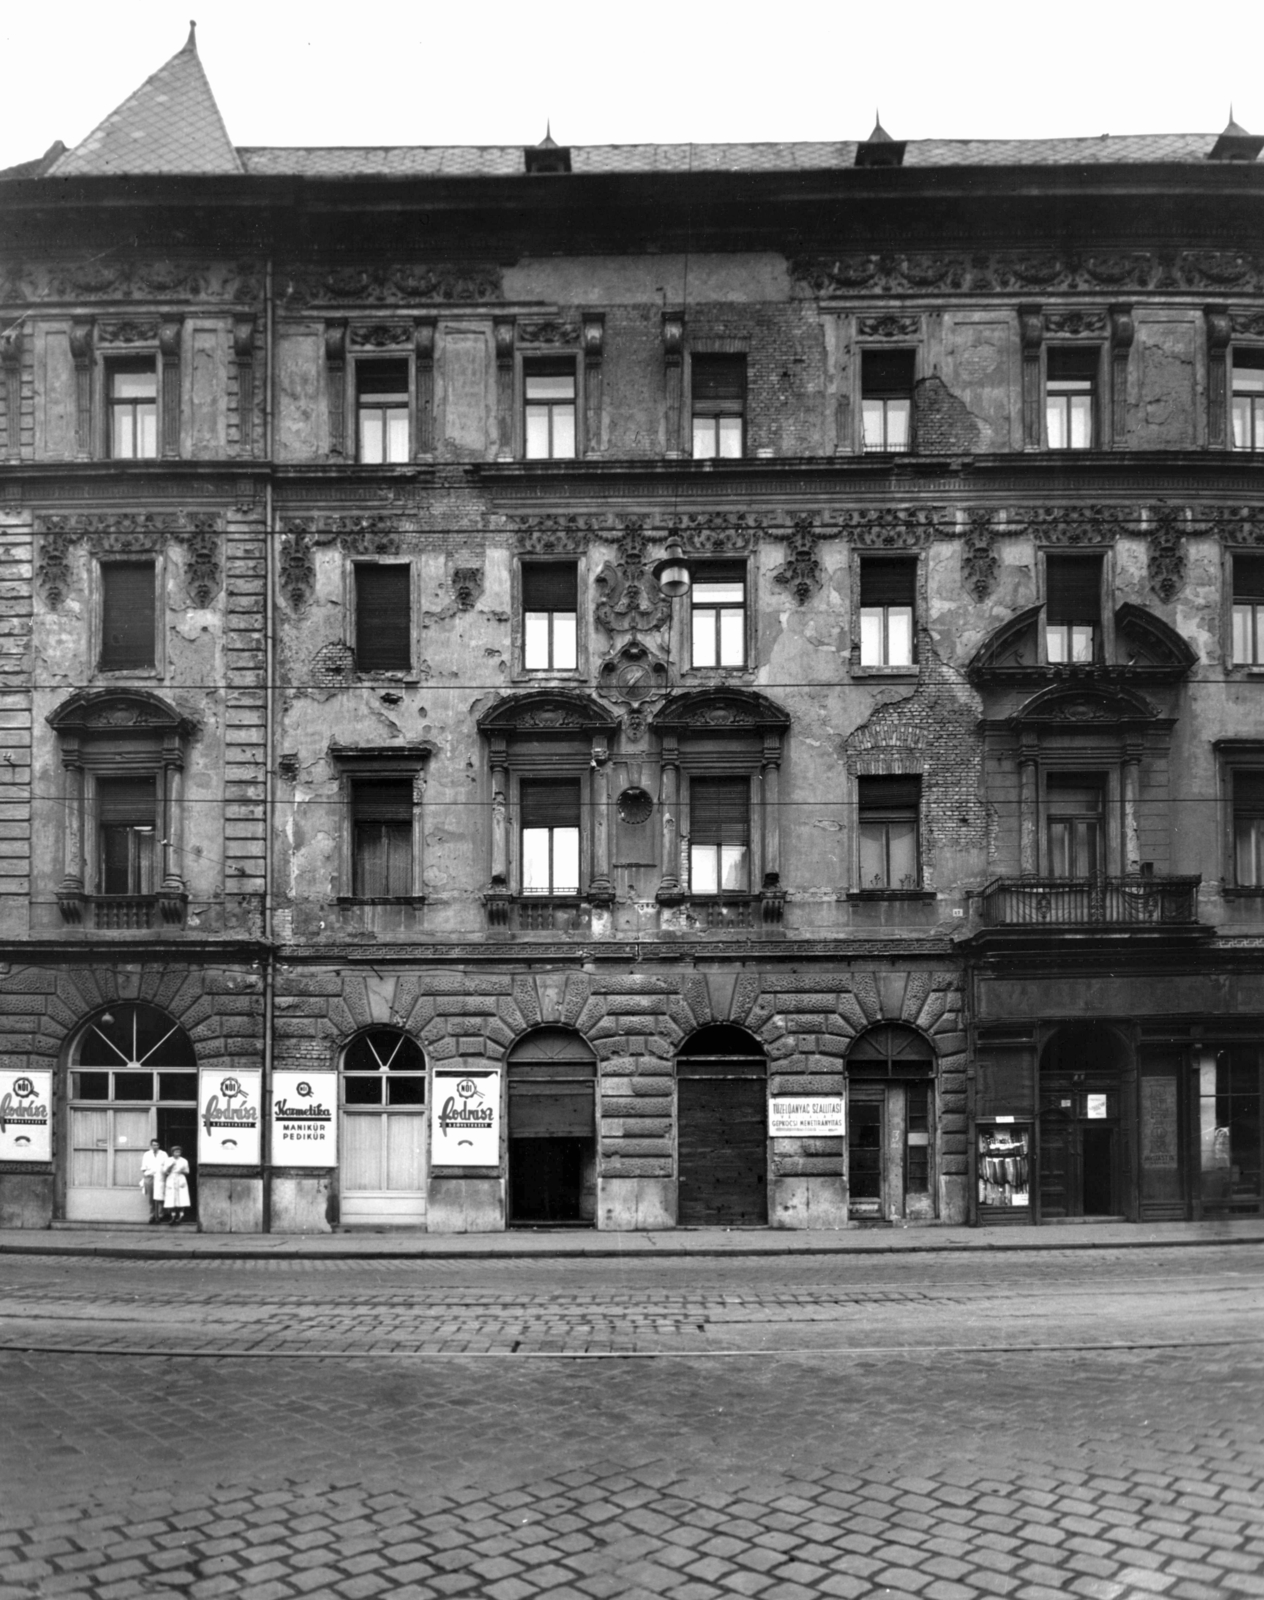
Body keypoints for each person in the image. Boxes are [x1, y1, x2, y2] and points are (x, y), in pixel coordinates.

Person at [140, 1138, 167, 1224]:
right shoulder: (147, 1154)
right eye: (153, 1145)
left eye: (157, 1145)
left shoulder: (164, 1154)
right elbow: (143, 1167)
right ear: (151, 1146)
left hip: (160, 1178)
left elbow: (167, 1166)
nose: (155, 1147)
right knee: (151, 1198)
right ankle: (152, 1216)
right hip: (150, 1177)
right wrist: (148, 1173)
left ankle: (160, 1215)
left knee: (159, 1198)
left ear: (159, 1146)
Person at [164, 1144, 191, 1226]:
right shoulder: (168, 1160)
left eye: (179, 1152)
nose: (177, 1153)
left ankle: (181, 1216)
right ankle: (173, 1216)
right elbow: (165, 1171)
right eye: (176, 1152)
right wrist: (170, 1166)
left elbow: (187, 1171)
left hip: (180, 1178)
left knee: (182, 1198)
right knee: (171, 1199)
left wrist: (182, 1170)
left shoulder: (184, 1161)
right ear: (172, 1152)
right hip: (171, 1178)